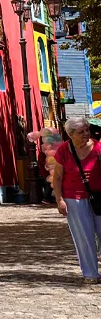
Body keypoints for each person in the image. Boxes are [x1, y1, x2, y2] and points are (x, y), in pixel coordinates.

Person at [53, 117, 101, 283]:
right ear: (70, 134)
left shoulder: (98, 147)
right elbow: (57, 177)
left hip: (99, 197)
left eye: (87, 130)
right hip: (74, 199)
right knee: (84, 237)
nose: (86, 134)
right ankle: (91, 274)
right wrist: (59, 200)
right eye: (81, 132)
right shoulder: (63, 151)